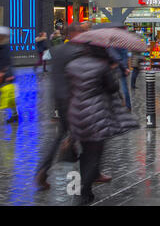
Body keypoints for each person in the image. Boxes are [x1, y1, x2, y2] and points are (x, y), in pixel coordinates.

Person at [65, 44, 139, 205]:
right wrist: (111, 70)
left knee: (85, 151)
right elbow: (112, 87)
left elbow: (68, 88)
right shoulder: (101, 66)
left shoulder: (72, 65)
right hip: (96, 114)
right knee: (94, 154)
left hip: (76, 113)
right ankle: (84, 191)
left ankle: (84, 188)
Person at [34, 22, 104, 191]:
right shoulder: (80, 52)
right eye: (83, 32)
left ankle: (42, 169)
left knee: (59, 135)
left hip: (60, 100)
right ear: (76, 34)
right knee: (93, 139)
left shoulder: (57, 51)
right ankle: (91, 177)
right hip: (77, 100)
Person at [0, 26, 19, 123]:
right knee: (10, 98)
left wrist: (4, 74)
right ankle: (15, 115)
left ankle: (15, 114)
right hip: (5, 75)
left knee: (8, 97)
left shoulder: (5, 47)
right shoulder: (3, 46)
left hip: (6, 76)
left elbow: (7, 62)